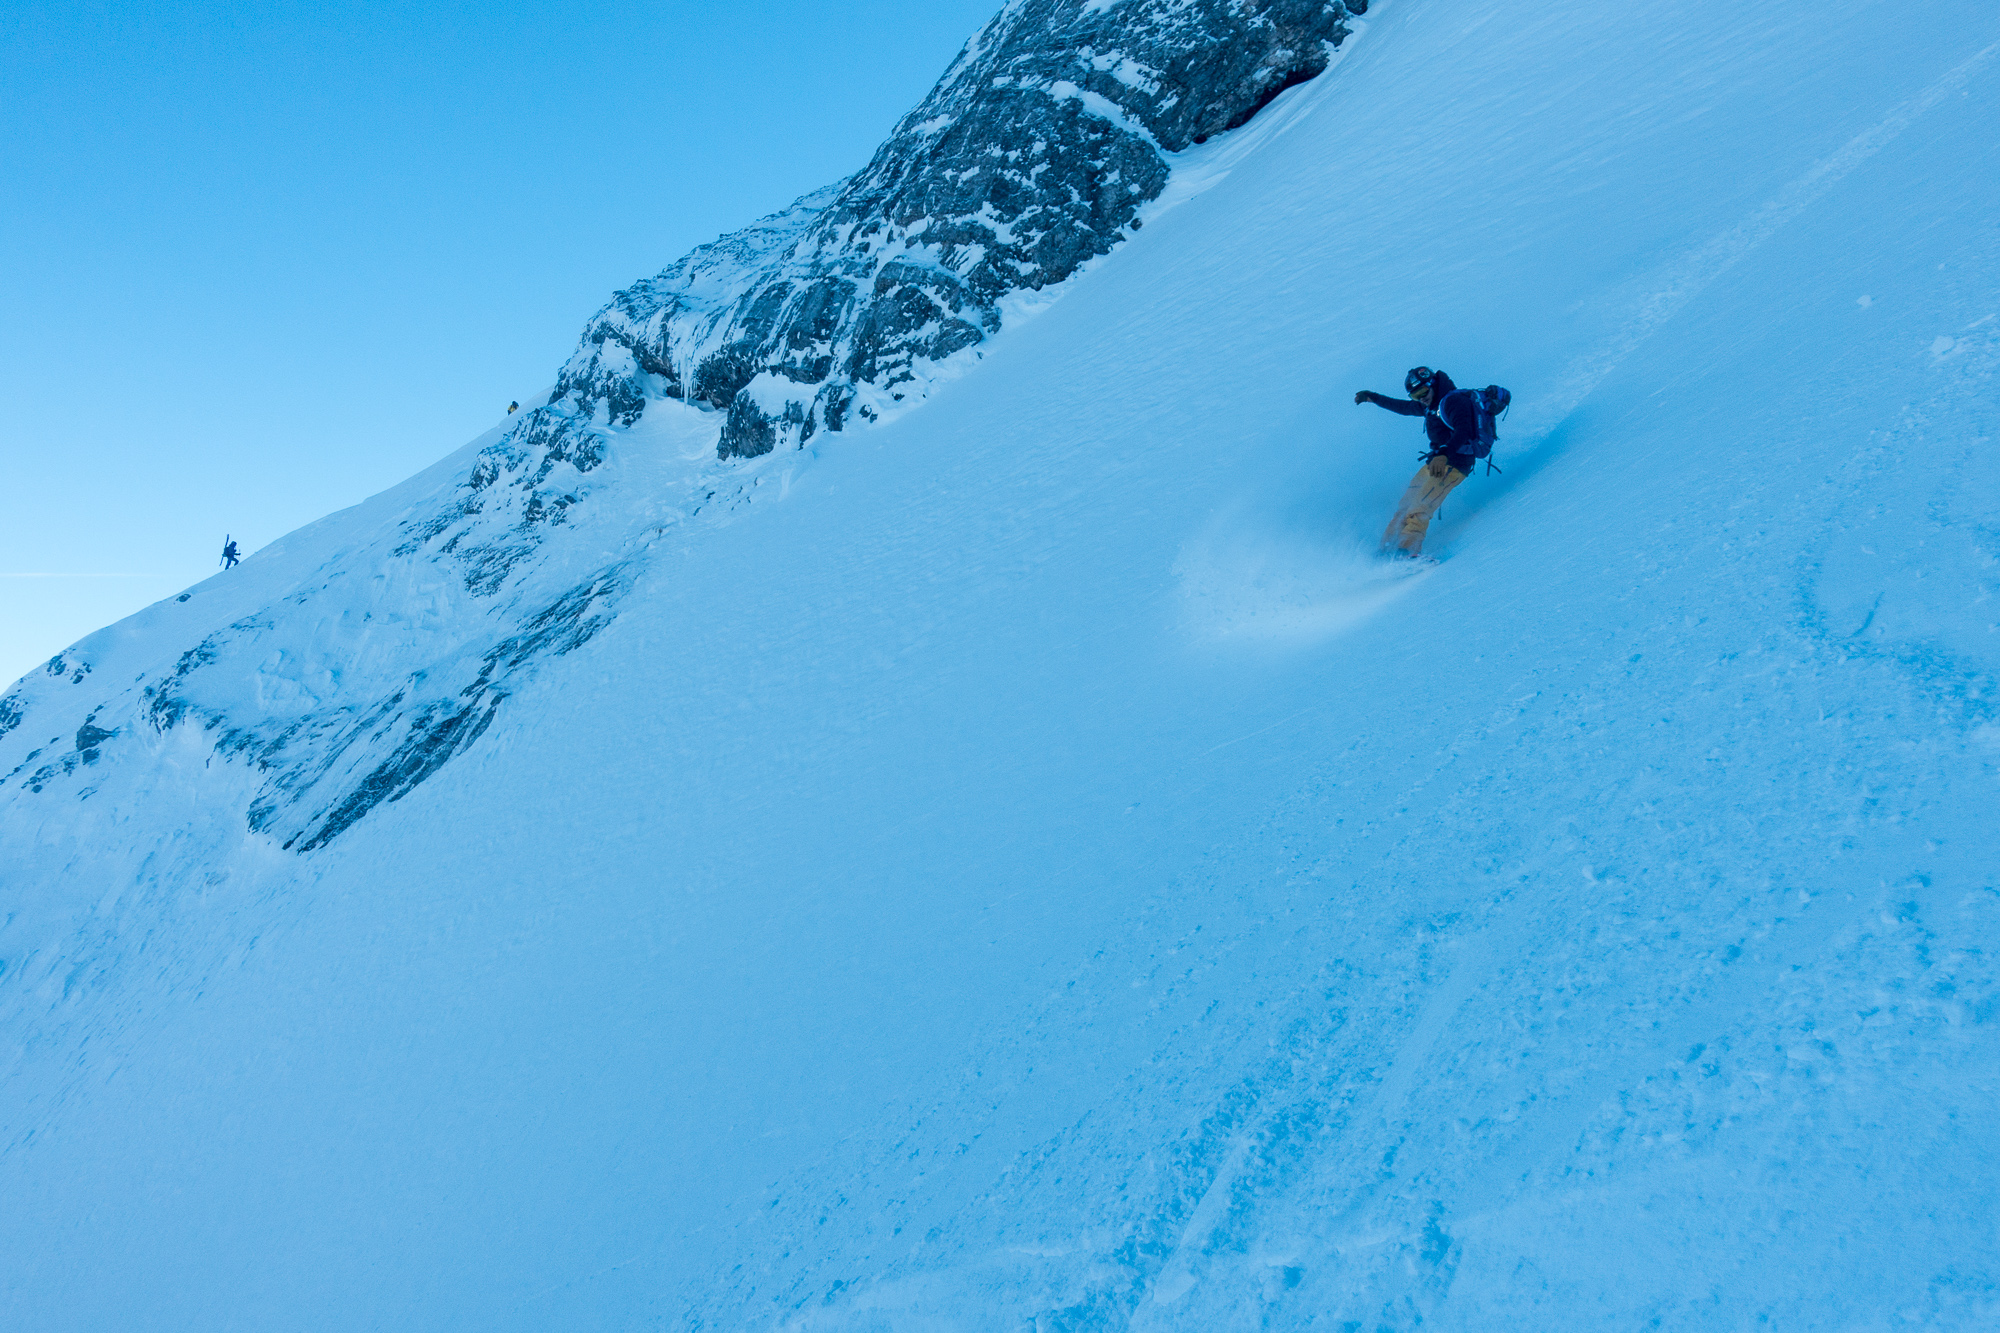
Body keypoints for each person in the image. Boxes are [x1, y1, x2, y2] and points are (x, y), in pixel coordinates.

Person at [1356, 366, 1478, 558]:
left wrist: (1444, 454)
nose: (1421, 398)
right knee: (1405, 505)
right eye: (1415, 395)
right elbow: (1403, 407)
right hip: (1435, 462)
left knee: (1421, 507)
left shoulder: (1455, 401)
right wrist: (1374, 398)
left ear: (1432, 385)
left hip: (1455, 464)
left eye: (1422, 392)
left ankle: (1407, 552)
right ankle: (1386, 549)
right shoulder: (1429, 405)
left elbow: (1464, 430)